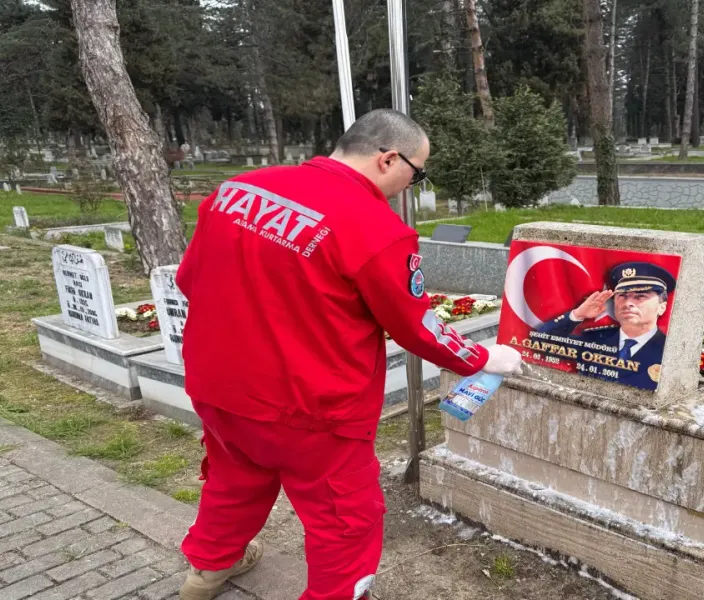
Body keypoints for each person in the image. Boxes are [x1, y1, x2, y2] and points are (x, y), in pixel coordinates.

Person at [174, 108, 523, 600]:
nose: (411, 185)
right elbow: (416, 326)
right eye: (416, 173)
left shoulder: (238, 191)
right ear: (387, 159)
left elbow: (190, 280)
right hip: (311, 409)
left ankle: (207, 572)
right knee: (345, 519)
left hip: (219, 387)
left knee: (234, 479)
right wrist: (484, 359)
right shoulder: (375, 228)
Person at [533, 262, 675, 391]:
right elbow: (539, 343)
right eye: (623, 296)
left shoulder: (670, 351)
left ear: (662, 307)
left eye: (640, 296)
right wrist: (577, 315)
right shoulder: (594, 339)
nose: (628, 303)